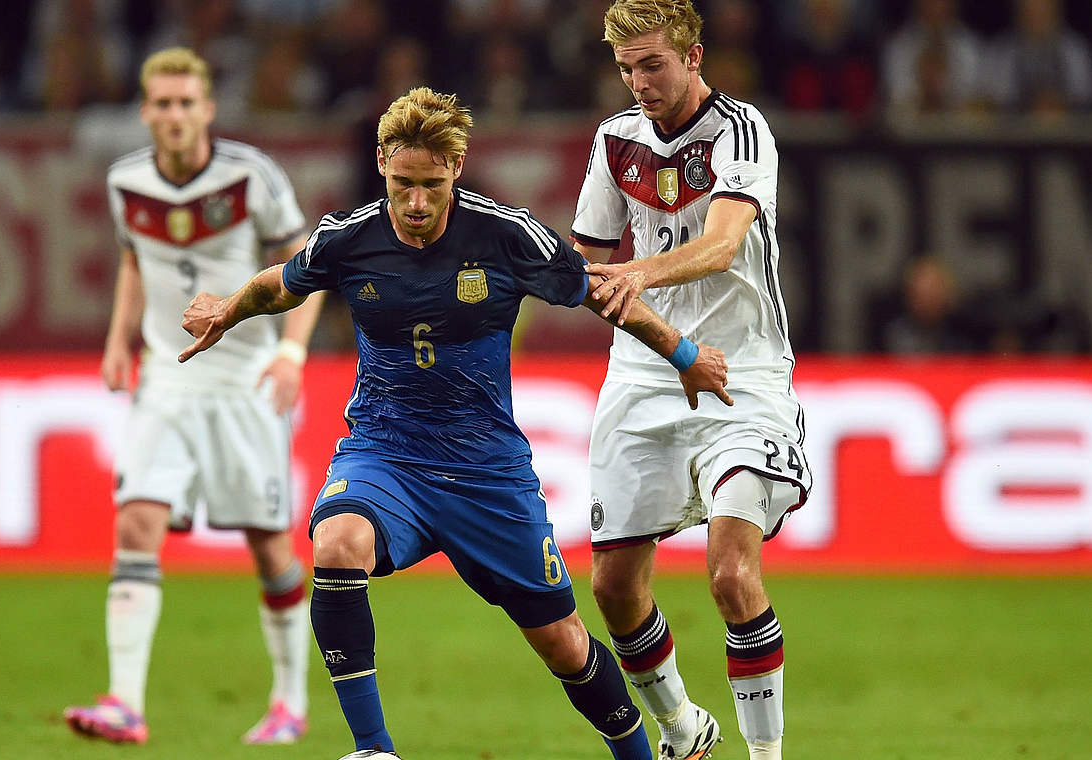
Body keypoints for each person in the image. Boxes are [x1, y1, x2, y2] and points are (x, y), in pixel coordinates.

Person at [178, 86, 734, 760]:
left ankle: (640, 751)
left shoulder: (505, 234)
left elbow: (599, 292)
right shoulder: (348, 238)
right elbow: (282, 284)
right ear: (382, 163)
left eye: (432, 185)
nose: (416, 203)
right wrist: (225, 313)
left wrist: (684, 355)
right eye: (404, 183)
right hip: (386, 453)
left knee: (562, 643)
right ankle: (374, 748)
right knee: (336, 544)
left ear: (458, 166)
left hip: (485, 473)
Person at [62, 47, 324, 746]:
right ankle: (124, 702)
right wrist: (120, 340)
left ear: (207, 109)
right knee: (136, 524)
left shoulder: (251, 177)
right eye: (163, 104)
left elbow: (307, 271)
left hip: (243, 381)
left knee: (270, 548)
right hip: (167, 378)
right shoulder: (127, 181)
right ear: (146, 112)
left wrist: (293, 352)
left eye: (187, 104)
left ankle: (290, 701)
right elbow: (133, 262)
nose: (175, 116)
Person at [571, 3, 813, 759]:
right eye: (625, 69)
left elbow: (721, 243)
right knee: (611, 588)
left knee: (732, 574)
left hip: (742, 377)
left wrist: (634, 270)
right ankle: (683, 728)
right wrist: (660, 334)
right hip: (645, 373)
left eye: (652, 64)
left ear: (694, 56)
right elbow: (585, 262)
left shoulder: (741, 131)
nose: (638, 82)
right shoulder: (615, 142)